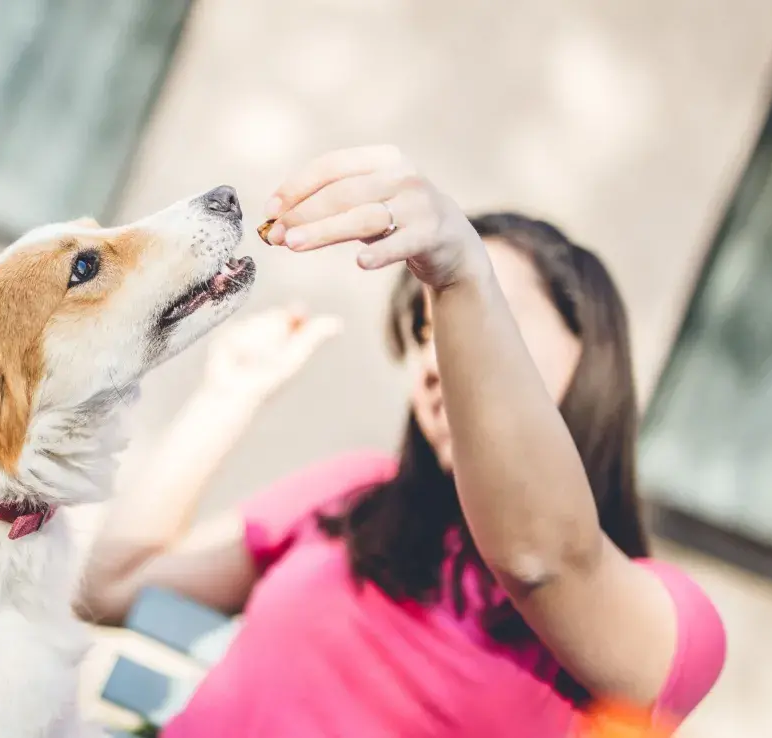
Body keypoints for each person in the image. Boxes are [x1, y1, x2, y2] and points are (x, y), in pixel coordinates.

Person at [78, 145, 726, 737]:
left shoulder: (673, 619)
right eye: (425, 327)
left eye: (484, 318)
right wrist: (229, 394)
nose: (437, 358)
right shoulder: (353, 496)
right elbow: (110, 589)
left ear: (589, 355)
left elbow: (540, 557)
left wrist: (462, 274)